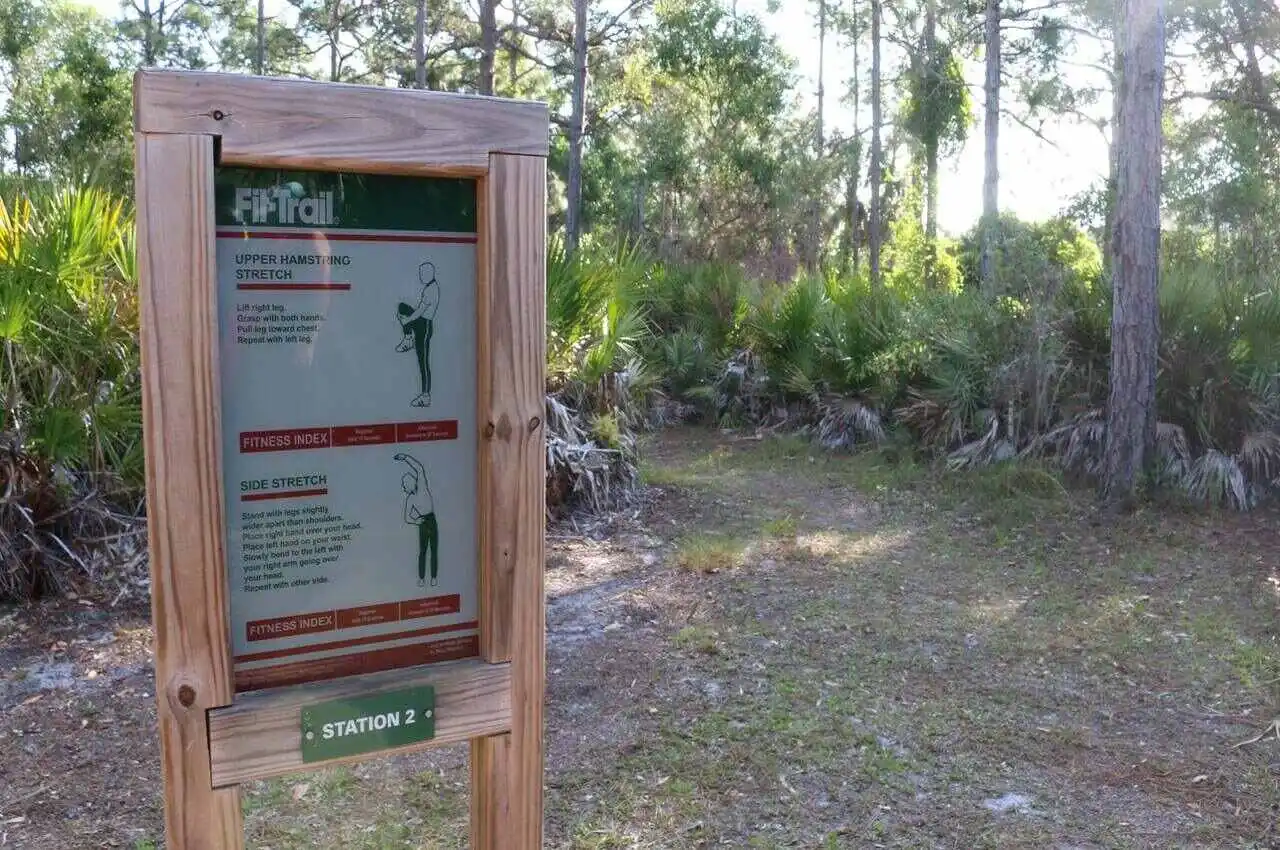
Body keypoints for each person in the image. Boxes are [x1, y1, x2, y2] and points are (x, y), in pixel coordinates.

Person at [395, 261, 440, 407]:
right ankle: (408, 339)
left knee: (423, 361)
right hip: (420, 321)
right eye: (420, 273)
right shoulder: (428, 287)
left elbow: (420, 311)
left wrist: (407, 320)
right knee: (402, 307)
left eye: (423, 273)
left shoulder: (431, 290)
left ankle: (425, 396)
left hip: (425, 326)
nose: (421, 276)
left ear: (430, 273)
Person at [395, 453, 438, 587]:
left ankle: (433, 577)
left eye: (404, 485)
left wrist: (405, 458)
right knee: (423, 551)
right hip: (422, 522)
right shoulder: (410, 499)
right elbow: (407, 517)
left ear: (410, 483)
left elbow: (419, 468)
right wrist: (416, 522)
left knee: (434, 549)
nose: (403, 487)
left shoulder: (422, 487)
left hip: (431, 519)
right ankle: (421, 578)